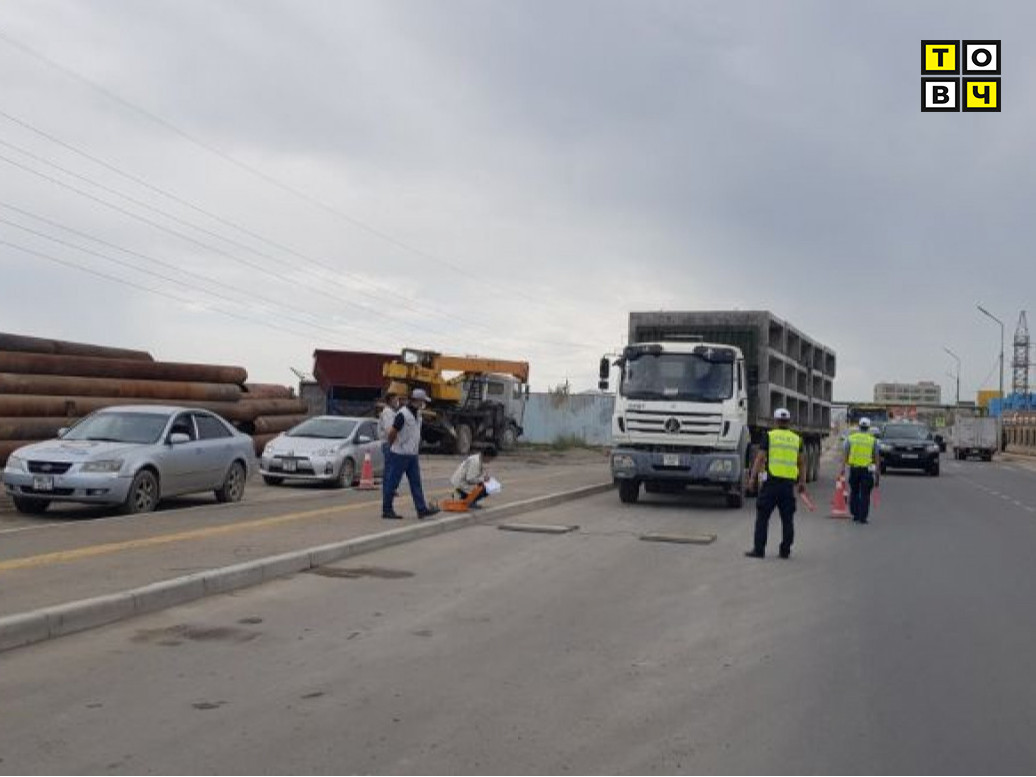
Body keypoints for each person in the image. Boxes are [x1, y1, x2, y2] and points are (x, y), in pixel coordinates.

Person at [745, 408, 806, 559]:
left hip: (771, 484)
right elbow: (802, 463)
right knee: (787, 519)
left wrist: (752, 479)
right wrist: (802, 482)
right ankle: (785, 550)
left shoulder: (769, 436)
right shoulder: (797, 439)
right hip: (788, 486)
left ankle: (759, 550)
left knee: (762, 517)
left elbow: (760, 459)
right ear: (788, 422)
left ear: (775, 421)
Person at [382, 388, 440, 520]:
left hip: (412, 455)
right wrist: (392, 445)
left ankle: (421, 509)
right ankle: (387, 509)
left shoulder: (417, 414)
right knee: (393, 483)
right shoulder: (403, 414)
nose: (423, 404)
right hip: (400, 454)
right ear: (417, 400)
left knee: (416, 483)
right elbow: (392, 432)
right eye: (422, 401)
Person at [841, 417, 880, 524]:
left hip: (854, 469)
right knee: (865, 494)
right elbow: (877, 458)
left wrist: (842, 468)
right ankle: (863, 517)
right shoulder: (873, 440)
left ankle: (855, 514)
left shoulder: (851, 438)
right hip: (867, 471)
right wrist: (877, 474)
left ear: (859, 426)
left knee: (854, 491)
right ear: (868, 427)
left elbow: (845, 454)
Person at [379, 392, 401, 502]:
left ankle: (390, 489)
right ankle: (387, 491)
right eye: (396, 400)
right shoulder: (387, 412)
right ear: (391, 400)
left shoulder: (391, 412)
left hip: (391, 443)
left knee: (392, 468)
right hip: (389, 443)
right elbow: (389, 430)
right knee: (389, 469)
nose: (398, 402)